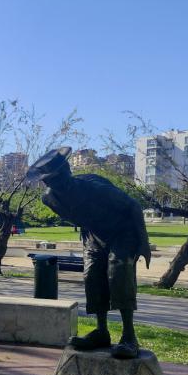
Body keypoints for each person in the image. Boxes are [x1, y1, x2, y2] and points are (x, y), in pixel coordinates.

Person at [27, 147, 151, 359]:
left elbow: (133, 206)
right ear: (47, 182)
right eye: (52, 180)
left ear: (68, 171)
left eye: (62, 176)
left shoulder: (93, 187)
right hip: (94, 235)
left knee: (118, 272)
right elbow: (80, 217)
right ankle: (102, 331)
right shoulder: (49, 199)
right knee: (92, 276)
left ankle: (129, 336)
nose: (59, 183)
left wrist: (143, 242)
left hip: (122, 231)